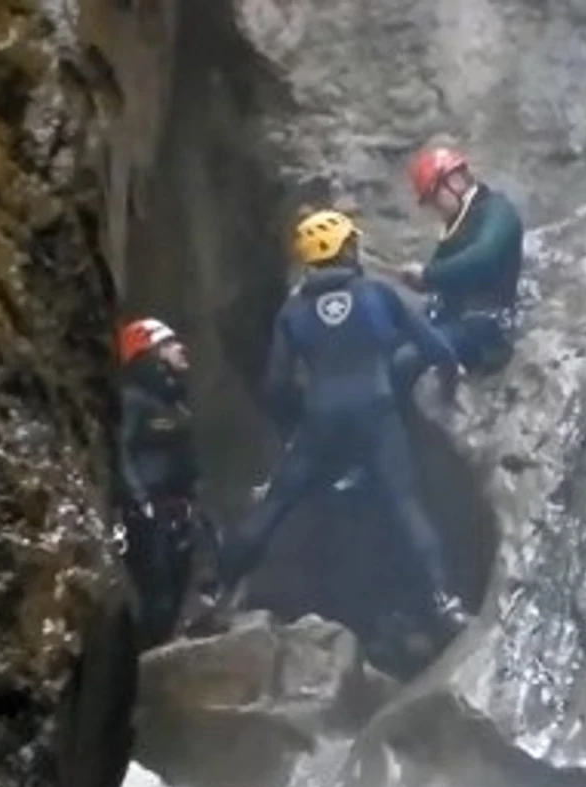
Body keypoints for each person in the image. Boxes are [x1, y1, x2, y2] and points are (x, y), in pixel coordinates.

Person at [215, 208, 472, 633]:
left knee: (275, 504)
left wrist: (294, 426)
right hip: (376, 412)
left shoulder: (293, 311)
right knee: (405, 504)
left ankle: (218, 591)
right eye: (350, 243)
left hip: (321, 421)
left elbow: (276, 384)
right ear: (341, 248)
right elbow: (429, 342)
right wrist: (449, 371)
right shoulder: (377, 294)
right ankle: (445, 604)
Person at [113, 316, 213, 649]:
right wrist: (140, 502)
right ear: (149, 355)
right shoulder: (133, 401)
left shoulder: (174, 403)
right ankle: (147, 667)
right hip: (150, 517)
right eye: (168, 344)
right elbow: (121, 452)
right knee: (157, 599)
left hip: (179, 514)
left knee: (177, 594)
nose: (181, 348)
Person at [396, 145, 526, 382]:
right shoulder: (457, 225)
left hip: (487, 330)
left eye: (434, 198)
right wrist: (423, 283)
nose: (435, 209)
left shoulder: (498, 212)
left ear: (454, 181)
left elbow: (484, 257)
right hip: (457, 322)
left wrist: (428, 276)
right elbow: (446, 277)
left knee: (407, 359)